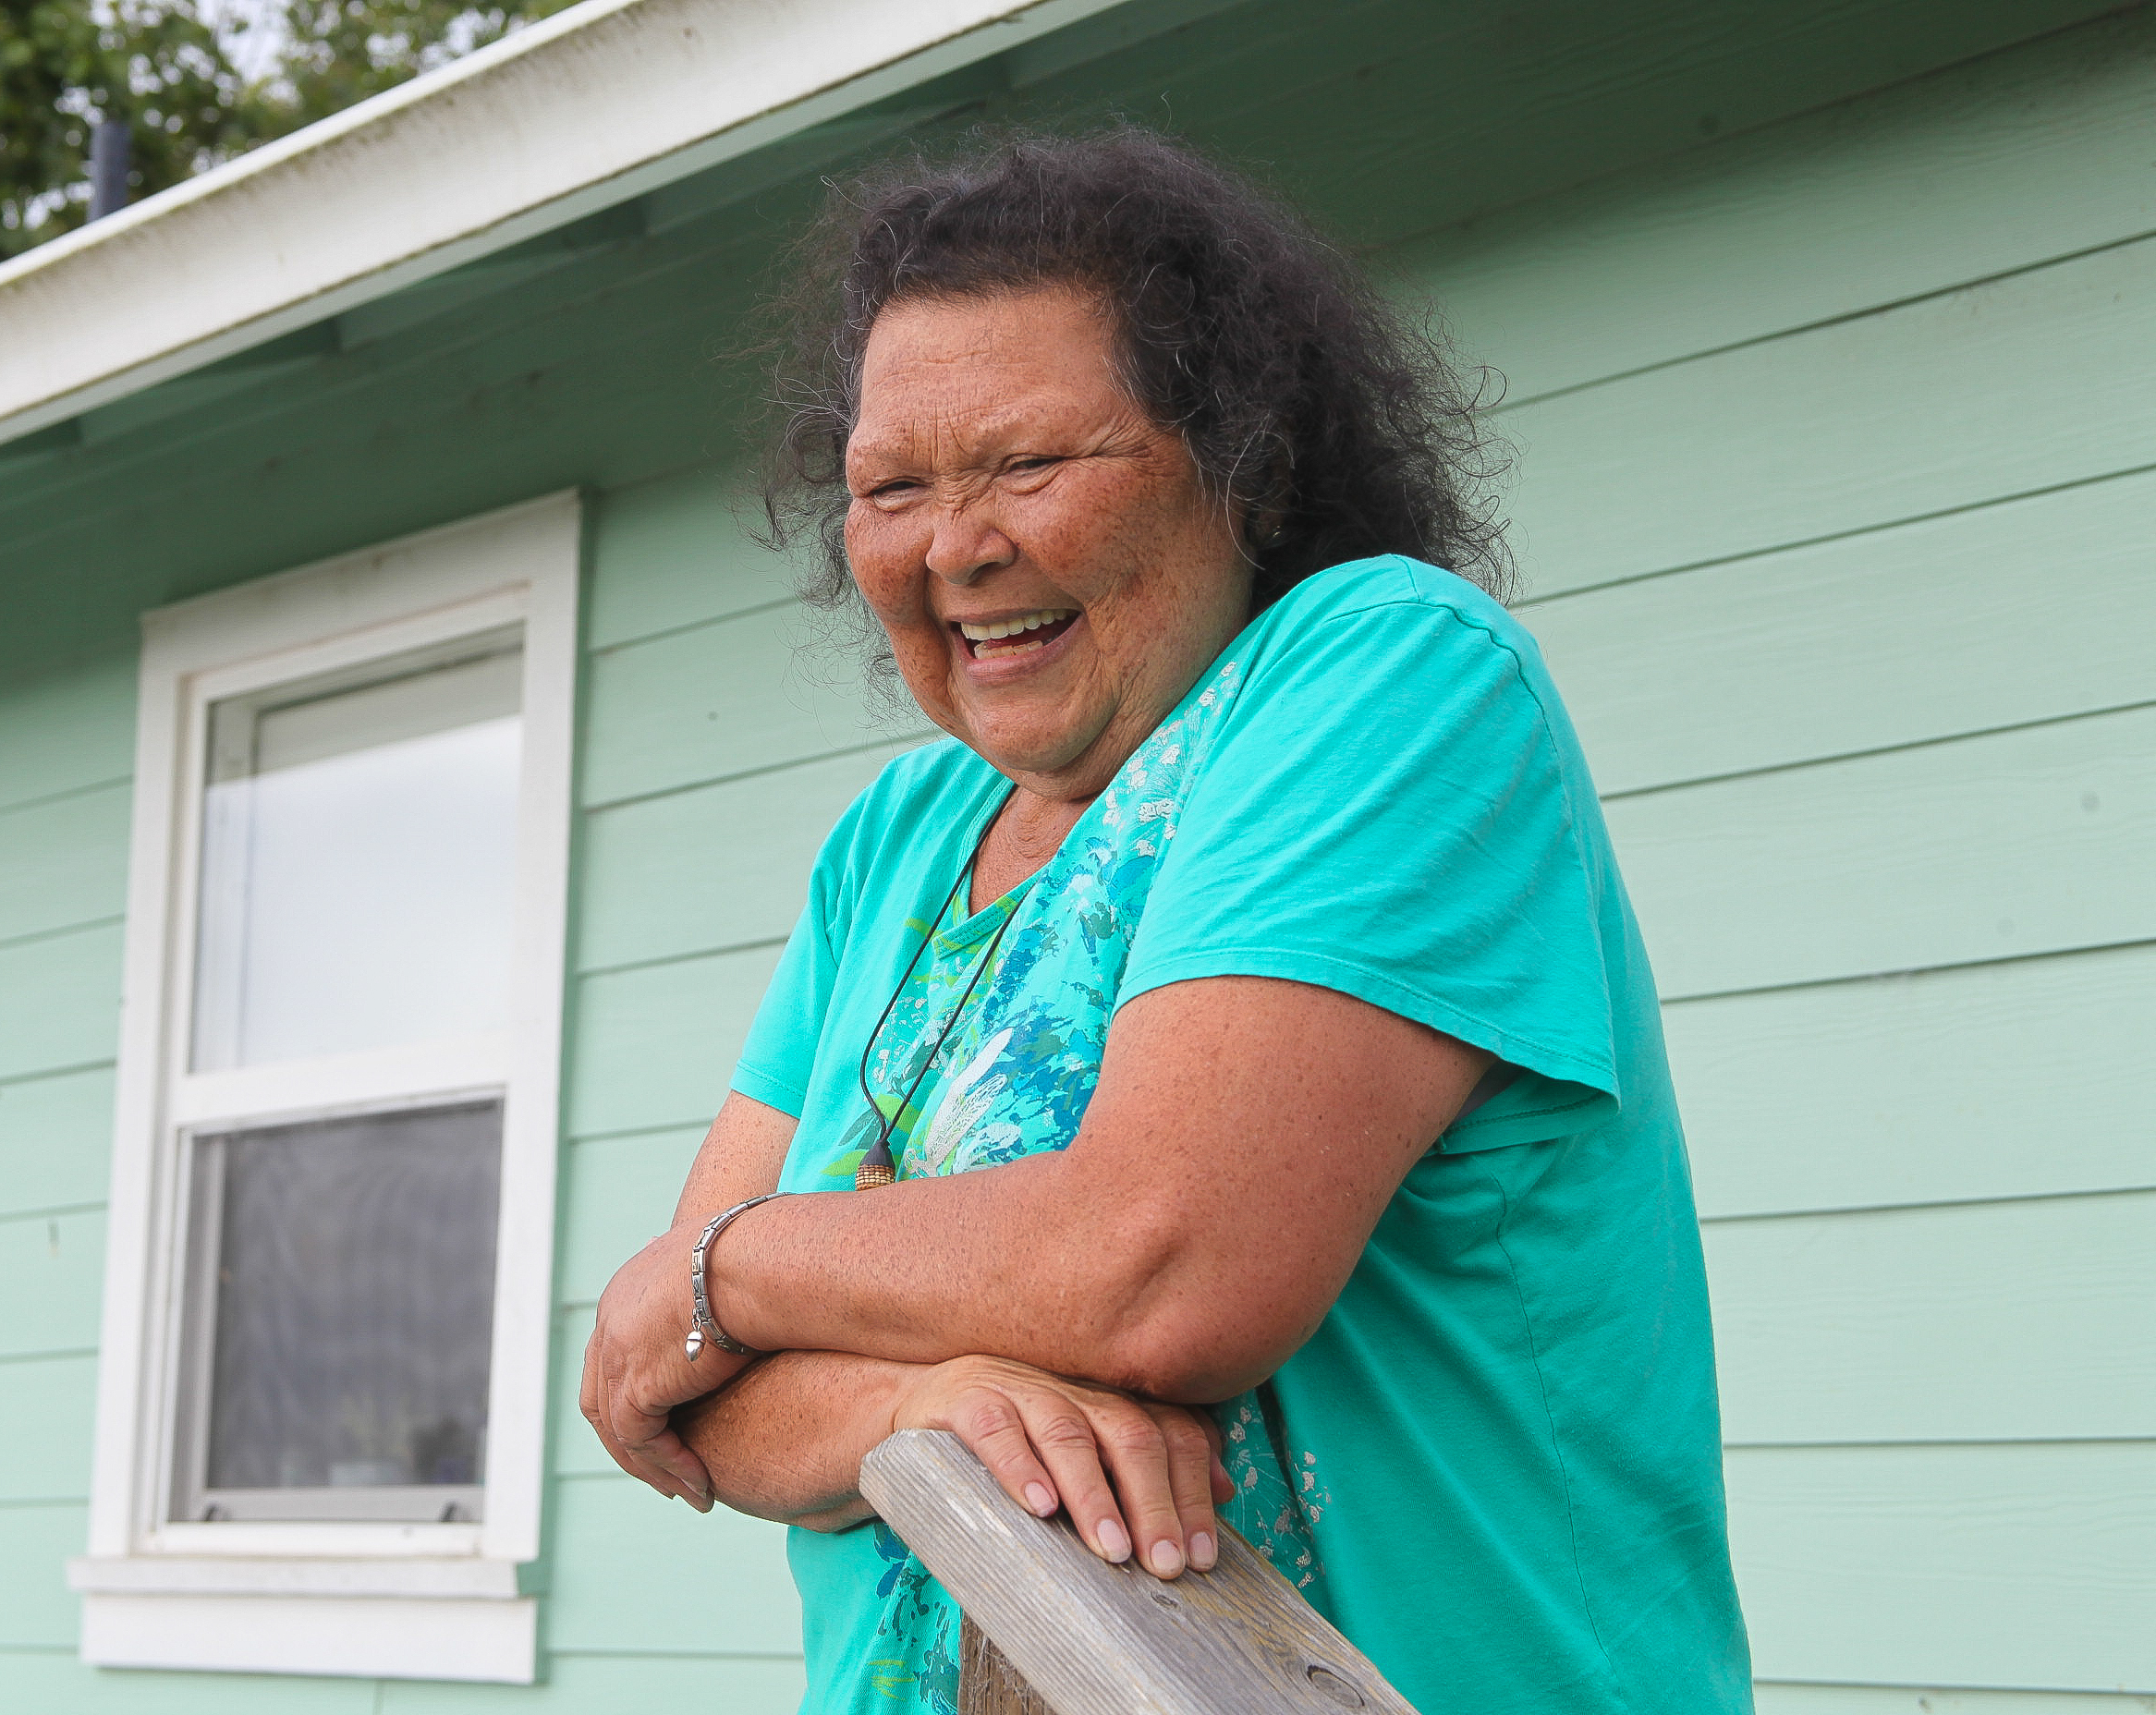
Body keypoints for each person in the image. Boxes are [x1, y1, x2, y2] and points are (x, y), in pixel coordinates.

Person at [580, 127, 1751, 1715]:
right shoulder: (891, 848)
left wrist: (732, 1266)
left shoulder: (1387, 678)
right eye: (892, 486)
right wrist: (925, 1403)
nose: (955, 545)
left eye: (1028, 466)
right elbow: (690, 1399)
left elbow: (1165, 1269)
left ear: (1243, 462)